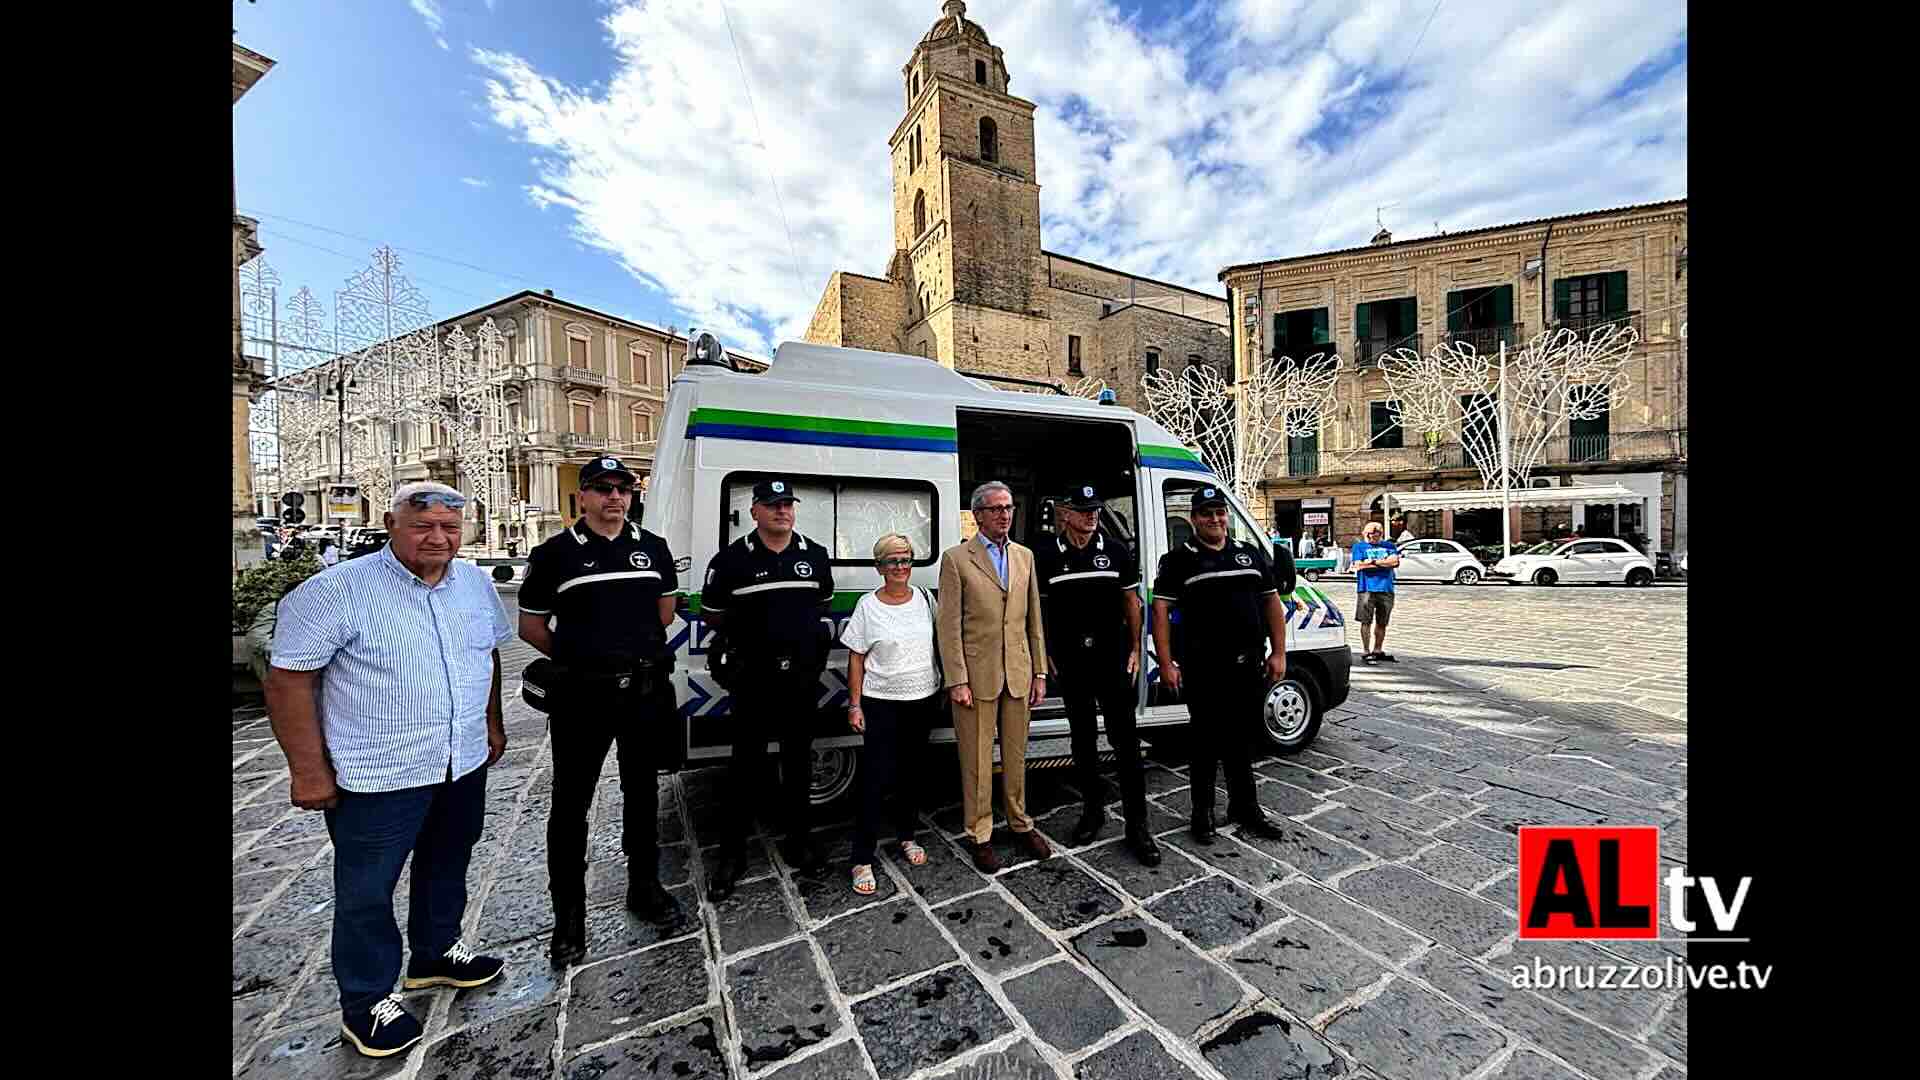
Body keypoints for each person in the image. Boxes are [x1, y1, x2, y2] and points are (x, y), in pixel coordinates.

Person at [263, 481, 511, 1058]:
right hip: (377, 771)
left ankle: (435, 953)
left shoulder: (474, 583)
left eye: (451, 528)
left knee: (449, 860)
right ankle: (368, 998)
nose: (439, 538)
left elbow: (489, 654)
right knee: (367, 888)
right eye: (423, 526)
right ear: (391, 523)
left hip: (460, 759)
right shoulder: (335, 591)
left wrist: (492, 724)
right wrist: (308, 771)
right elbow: (288, 680)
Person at [517, 455, 683, 969]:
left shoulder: (652, 548)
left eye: (623, 488)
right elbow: (531, 626)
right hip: (583, 699)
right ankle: (568, 918)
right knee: (570, 804)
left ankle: (644, 885)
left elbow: (665, 611)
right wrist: (584, 660)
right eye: (602, 488)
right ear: (583, 496)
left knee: (642, 789)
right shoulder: (554, 555)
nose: (615, 497)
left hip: (644, 692)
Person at [703, 477, 837, 898]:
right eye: (772, 504)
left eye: (787, 504)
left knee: (799, 766)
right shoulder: (729, 561)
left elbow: (821, 606)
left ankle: (800, 843)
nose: (782, 511)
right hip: (753, 680)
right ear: (754, 511)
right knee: (744, 769)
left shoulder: (814, 556)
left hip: (799, 679)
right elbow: (714, 615)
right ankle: (731, 856)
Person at [1149, 485, 1290, 845]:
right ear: (1194, 519)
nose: (1215, 519)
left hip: (1247, 665)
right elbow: (1161, 612)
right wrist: (1166, 663)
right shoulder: (1178, 560)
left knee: (1243, 740)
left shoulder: (1249, 554)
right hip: (1203, 669)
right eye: (1206, 513)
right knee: (1205, 743)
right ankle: (1203, 813)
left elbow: (1272, 604)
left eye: (1219, 512)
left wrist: (1279, 652)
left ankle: (1246, 809)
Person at [1036, 483, 1158, 865]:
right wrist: (1046, 653)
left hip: (1113, 660)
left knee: (1125, 742)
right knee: (1083, 742)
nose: (1091, 515)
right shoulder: (1045, 556)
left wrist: (1137, 648)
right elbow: (1037, 610)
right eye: (1083, 509)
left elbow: (1131, 602)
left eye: (1096, 509)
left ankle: (1138, 826)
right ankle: (1092, 811)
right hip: (1072, 662)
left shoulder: (1117, 551)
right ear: (1064, 513)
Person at [937, 480, 1050, 872]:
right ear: (979, 515)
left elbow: (1033, 618)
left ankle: (1020, 823)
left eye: (1009, 507)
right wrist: (957, 680)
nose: (1005, 514)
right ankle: (979, 833)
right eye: (997, 508)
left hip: (1018, 673)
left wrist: (1039, 670)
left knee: (1017, 757)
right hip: (977, 676)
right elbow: (948, 627)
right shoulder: (956, 559)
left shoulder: (1025, 556)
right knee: (977, 760)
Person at [840, 533, 938, 895]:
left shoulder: (926, 600)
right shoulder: (868, 606)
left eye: (906, 559)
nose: (900, 567)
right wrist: (854, 704)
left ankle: (907, 836)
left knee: (911, 775)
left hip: (923, 698)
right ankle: (861, 857)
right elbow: (856, 656)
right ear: (879, 567)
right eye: (892, 561)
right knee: (874, 781)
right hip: (881, 702)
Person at [1351, 521, 1402, 664]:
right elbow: (1358, 565)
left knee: (1382, 622)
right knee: (1365, 621)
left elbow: (1394, 562)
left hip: (1386, 588)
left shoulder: (1389, 546)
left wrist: (1372, 562)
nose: (1372, 536)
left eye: (1376, 534)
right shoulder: (1359, 547)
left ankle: (1377, 649)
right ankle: (1366, 651)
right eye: (1370, 534)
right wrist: (1382, 562)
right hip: (1366, 588)